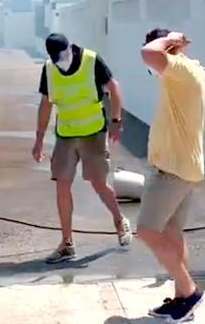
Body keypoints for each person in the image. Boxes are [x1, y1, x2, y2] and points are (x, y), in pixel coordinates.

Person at [32, 33, 132, 264]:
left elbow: (113, 88)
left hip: (93, 133)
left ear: (70, 48)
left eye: (63, 56)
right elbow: (46, 104)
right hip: (66, 135)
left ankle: (119, 221)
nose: (61, 61)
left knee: (98, 183)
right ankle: (67, 244)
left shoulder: (91, 60)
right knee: (62, 185)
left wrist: (116, 122)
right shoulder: (49, 69)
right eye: (56, 58)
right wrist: (38, 140)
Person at [137, 28, 205, 322]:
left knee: (147, 231)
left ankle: (190, 292)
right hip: (183, 167)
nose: (152, 69)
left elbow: (148, 53)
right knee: (171, 235)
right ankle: (183, 301)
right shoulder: (192, 72)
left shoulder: (179, 67)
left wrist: (172, 39)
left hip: (172, 169)